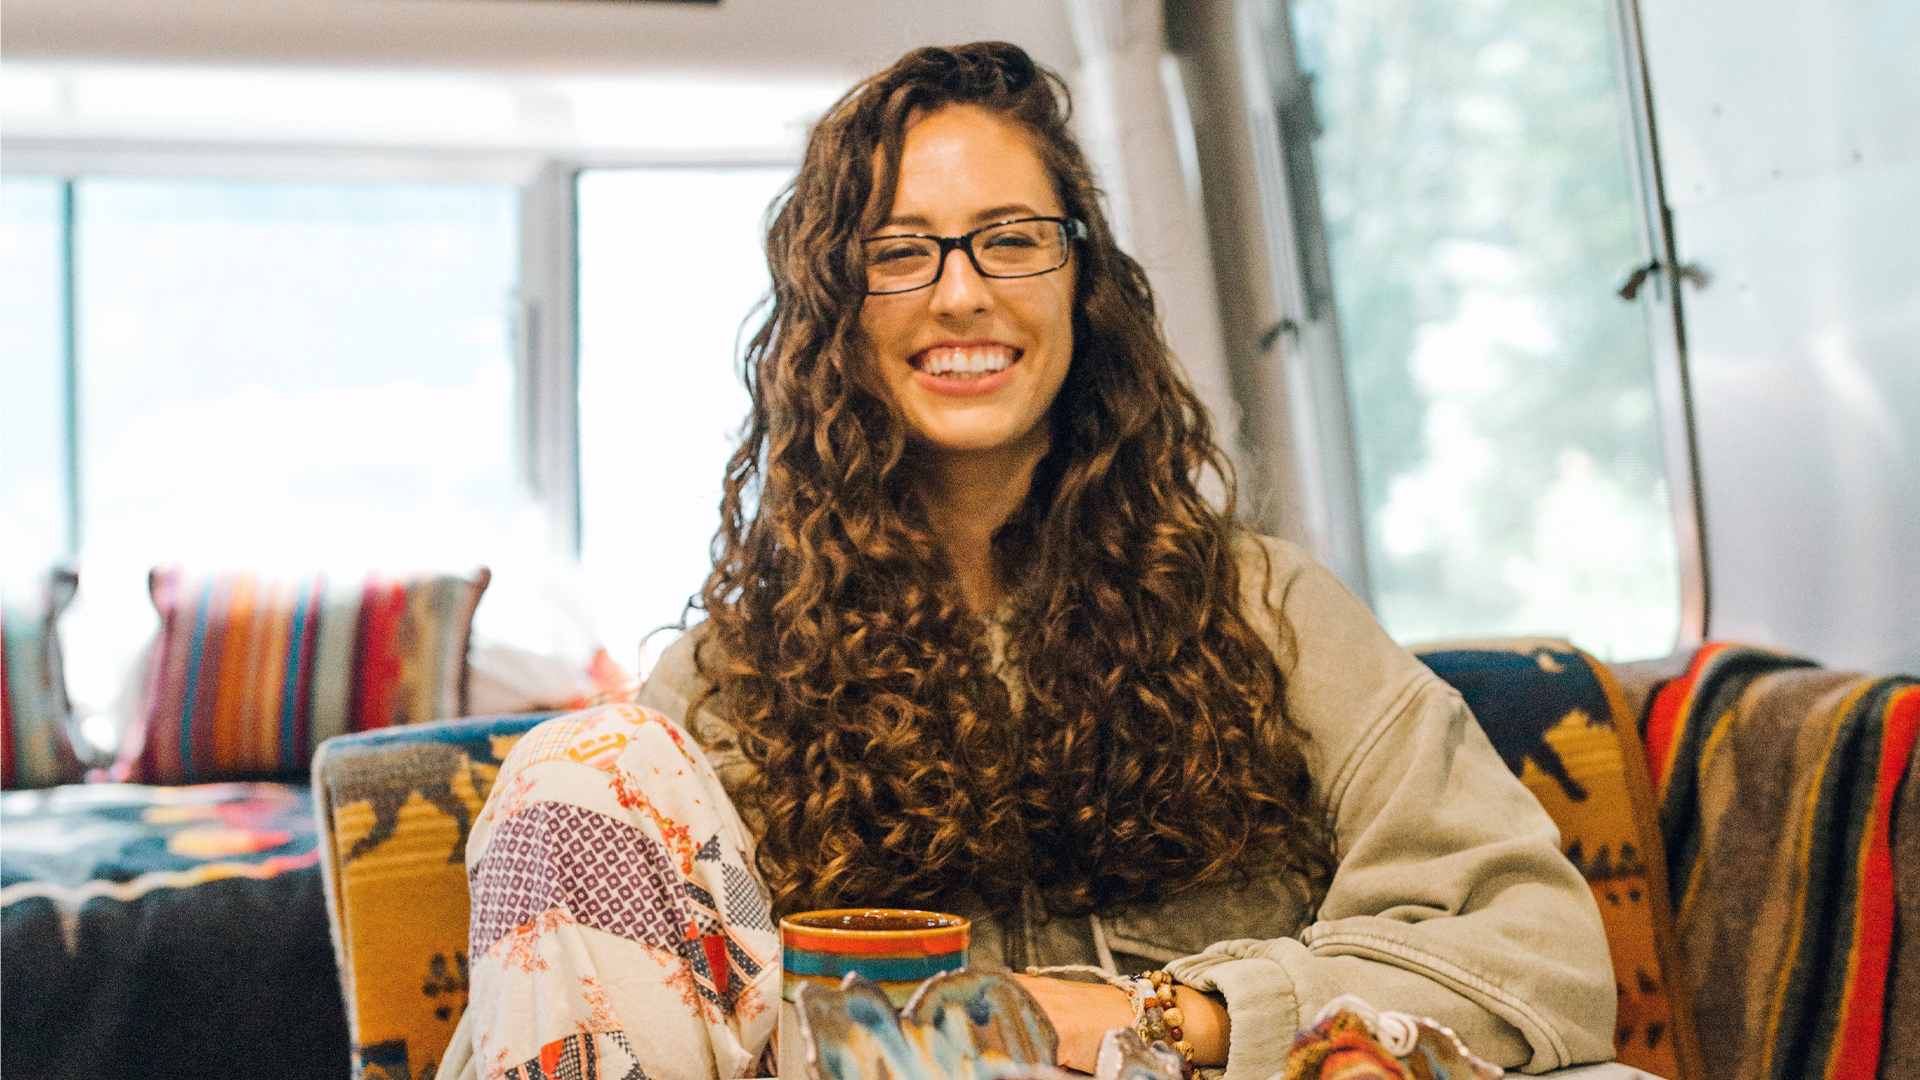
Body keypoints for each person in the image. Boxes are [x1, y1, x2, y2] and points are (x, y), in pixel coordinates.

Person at [439, 42, 1614, 1080]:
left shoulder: (1267, 610)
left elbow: (1534, 944)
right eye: (900, 252)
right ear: (833, 314)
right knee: (579, 759)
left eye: (1011, 241)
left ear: (1082, 281)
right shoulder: (728, 684)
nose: (963, 294)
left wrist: (1179, 1013)